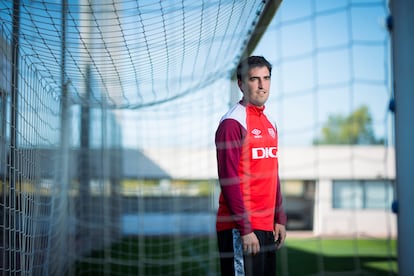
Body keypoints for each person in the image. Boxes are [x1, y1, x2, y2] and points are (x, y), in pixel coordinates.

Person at [215, 55, 287, 276]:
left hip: (267, 227)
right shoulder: (232, 123)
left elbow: (272, 174)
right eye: (254, 79)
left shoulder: (270, 122)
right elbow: (229, 181)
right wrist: (245, 229)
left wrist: (279, 217)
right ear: (241, 84)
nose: (262, 85)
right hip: (240, 229)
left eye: (266, 78)